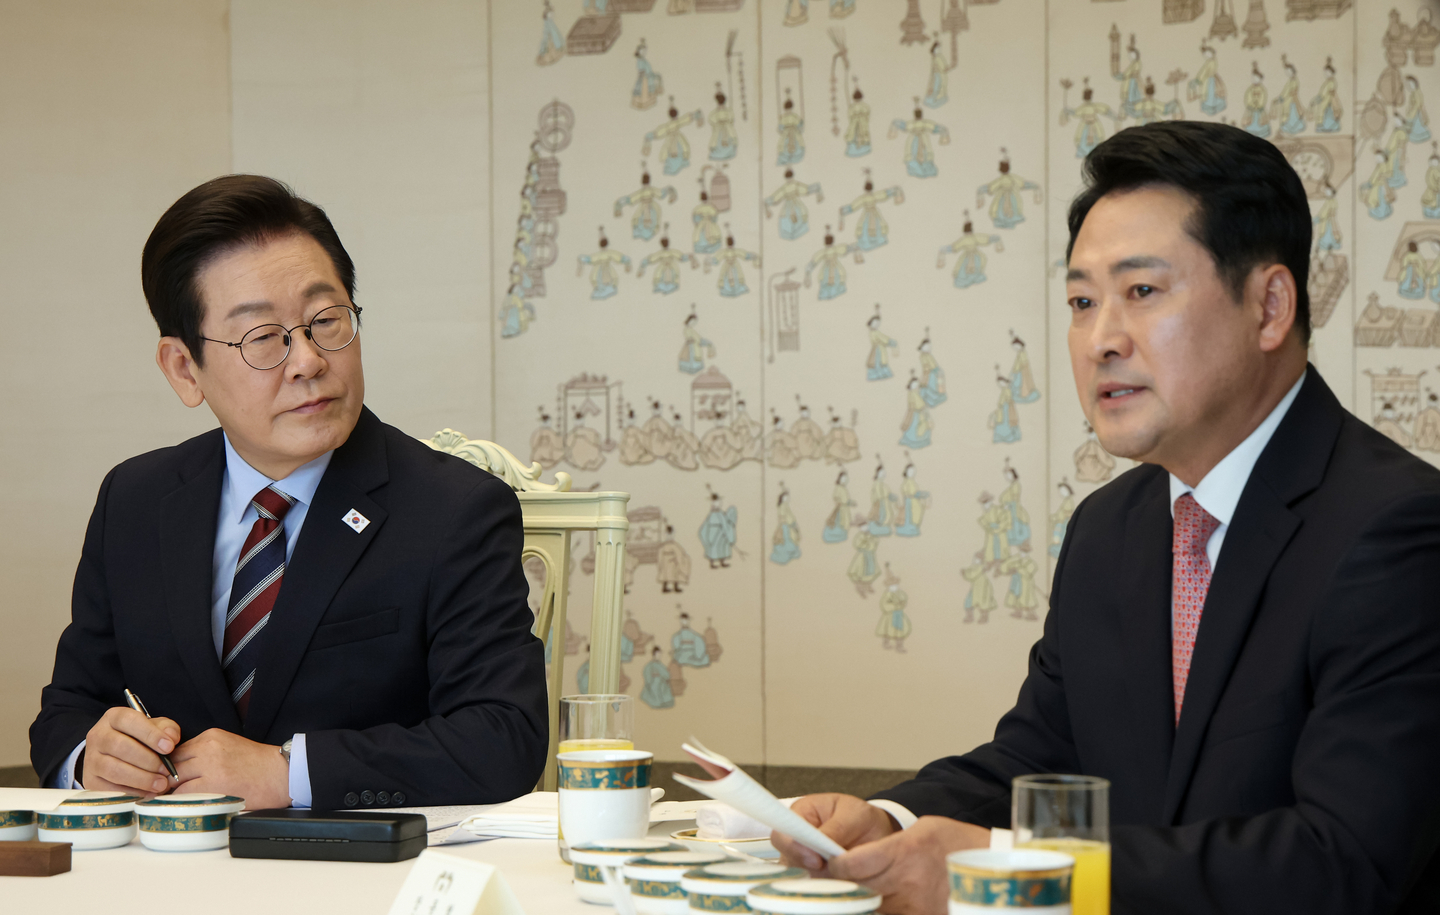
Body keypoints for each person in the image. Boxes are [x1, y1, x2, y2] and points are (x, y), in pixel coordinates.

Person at [773, 121, 1440, 913]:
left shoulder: (1398, 531)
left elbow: (1344, 859)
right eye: (1082, 301)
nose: (1100, 339)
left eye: (1142, 292)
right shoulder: (1108, 528)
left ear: (1269, 306)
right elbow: (1040, 754)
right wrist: (886, 818)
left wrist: (1009, 864)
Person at [30, 176, 548, 810]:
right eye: (263, 338)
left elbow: (502, 739)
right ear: (184, 369)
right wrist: (93, 758)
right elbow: (69, 709)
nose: (307, 360)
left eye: (325, 321)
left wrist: (286, 773)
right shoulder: (134, 501)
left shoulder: (454, 509)